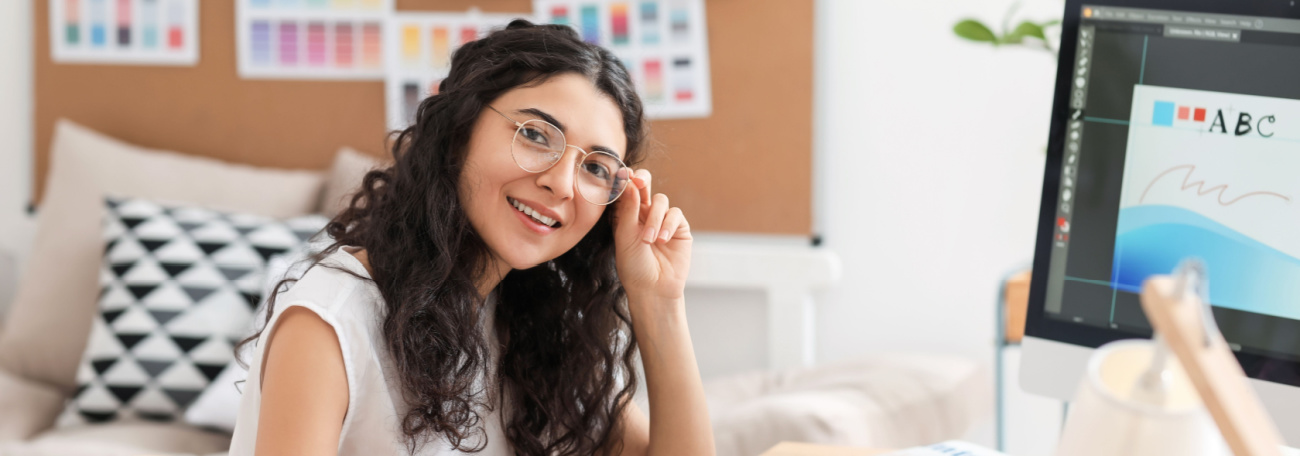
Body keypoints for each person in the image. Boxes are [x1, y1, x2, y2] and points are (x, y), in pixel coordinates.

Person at [228, 19, 715, 456]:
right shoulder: (330, 324)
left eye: (594, 167)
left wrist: (659, 301)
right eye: (535, 134)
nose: (562, 184)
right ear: (459, 128)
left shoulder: (531, 324)